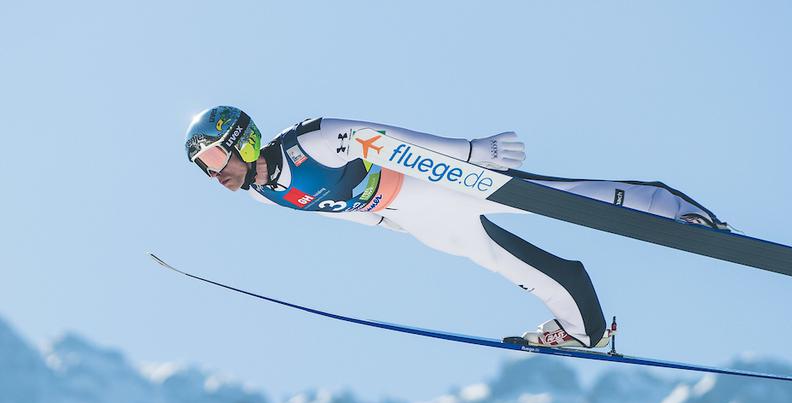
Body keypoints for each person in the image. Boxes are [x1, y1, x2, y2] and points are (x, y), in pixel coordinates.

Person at [185, 106, 728, 349]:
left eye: (213, 157)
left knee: (549, 200)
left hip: (429, 184)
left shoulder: (313, 140)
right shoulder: (265, 191)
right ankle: (584, 328)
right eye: (203, 168)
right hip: (413, 216)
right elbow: (345, 207)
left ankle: (672, 208)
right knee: (501, 259)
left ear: (241, 138)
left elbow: (382, 139)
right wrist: (390, 224)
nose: (214, 174)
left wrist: (470, 152)